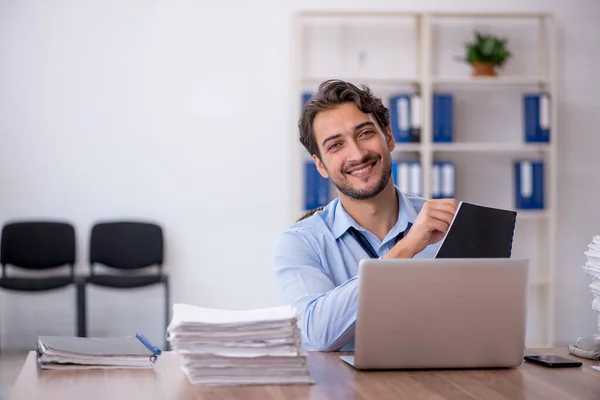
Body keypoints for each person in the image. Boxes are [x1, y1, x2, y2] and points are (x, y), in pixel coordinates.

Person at [273, 79, 458, 352]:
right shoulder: (300, 243)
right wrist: (405, 250)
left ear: (389, 137)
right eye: (335, 145)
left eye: (365, 133)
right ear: (320, 165)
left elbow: (488, 326)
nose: (357, 154)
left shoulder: (450, 224)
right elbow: (316, 334)